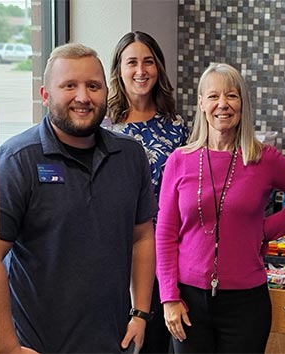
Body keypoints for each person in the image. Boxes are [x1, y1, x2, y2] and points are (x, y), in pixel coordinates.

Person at [0, 42, 157, 353]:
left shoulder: (130, 155)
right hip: (40, 345)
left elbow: (142, 236)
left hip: (113, 344)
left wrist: (140, 314)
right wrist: (7, 346)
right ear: (45, 95)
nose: (83, 97)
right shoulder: (17, 160)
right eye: (69, 85)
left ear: (106, 92)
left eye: (93, 86)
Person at [155, 63, 285, 353]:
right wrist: (169, 297)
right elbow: (165, 233)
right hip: (188, 300)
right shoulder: (179, 161)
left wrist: (263, 230)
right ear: (201, 103)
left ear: (242, 103)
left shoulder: (264, 159)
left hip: (245, 304)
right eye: (213, 96)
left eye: (232, 96)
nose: (223, 104)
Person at [104, 31, 189, 354]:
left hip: (163, 246)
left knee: (152, 339)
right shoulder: (104, 125)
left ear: (158, 68)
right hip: (115, 245)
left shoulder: (175, 124)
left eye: (148, 62)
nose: (141, 71)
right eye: (132, 62)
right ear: (120, 69)